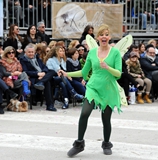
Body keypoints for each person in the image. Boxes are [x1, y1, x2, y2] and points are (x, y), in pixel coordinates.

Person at [59, 24, 122, 157]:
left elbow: (118, 74)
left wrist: (107, 68)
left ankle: (106, 143)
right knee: (85, 113)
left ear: (109, 37)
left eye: (106, 34)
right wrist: (66, 73)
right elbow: (84, 72)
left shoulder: (115, 52)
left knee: (106, 119)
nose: (104, 36)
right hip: (93, 86)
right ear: (98, 37)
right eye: (101, 34)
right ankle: (79, 143)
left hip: (108, 88)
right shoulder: (92, 53)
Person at [20, 43, 57, 111]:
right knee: (47, 82)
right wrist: (38, 74)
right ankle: (50, 105)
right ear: (25, 52)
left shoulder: (37, 58)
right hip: (33, 78)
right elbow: (25, 71)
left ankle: (41, 82)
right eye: (29, 52)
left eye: (32, 52)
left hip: (42, 77)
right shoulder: (23, 59)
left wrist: (44, 73)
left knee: (53, 71)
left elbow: (44, 67)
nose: (31, 54)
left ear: (34, 52)